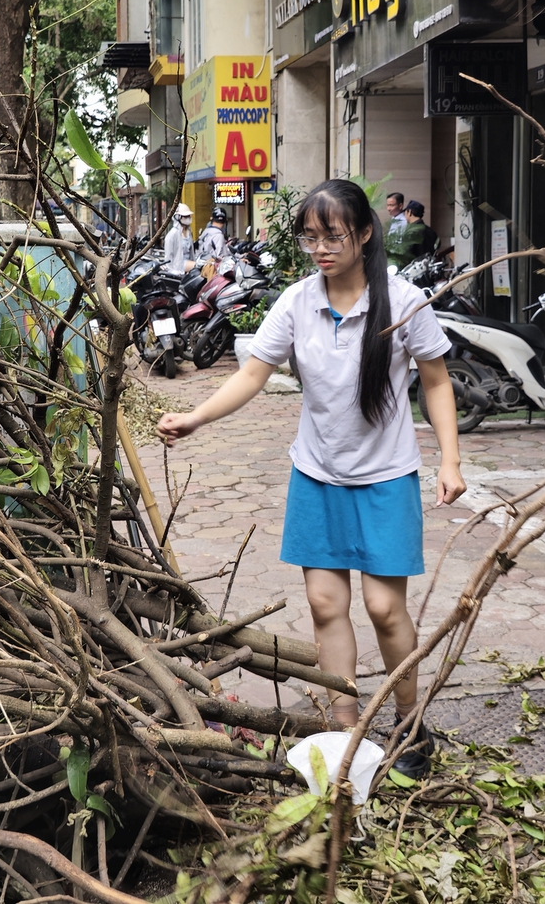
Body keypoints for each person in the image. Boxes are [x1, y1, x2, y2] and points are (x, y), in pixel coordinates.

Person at [157, 178, 467, 780]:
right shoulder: (297, 301)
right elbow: (252, 374)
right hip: (317, 475)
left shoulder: (402, 300)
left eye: (334, 235)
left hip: (385, 478)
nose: (321, 247)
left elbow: (435, 380)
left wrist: (450, 461)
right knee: (326, 605)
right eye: (311, 237)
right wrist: (196, 417)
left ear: (365, 234)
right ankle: (345, 733)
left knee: (383, 608)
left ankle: (409, 726)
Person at [392, 200, 440, 267]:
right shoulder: (431, 231)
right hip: (429, 269)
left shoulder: (410, 232)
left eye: (405, 212)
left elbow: (406, 253)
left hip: (413, 270)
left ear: (410, 212)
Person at [161, 202, 195, 276]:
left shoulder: (188, 232)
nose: (188, 218)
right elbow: (168, 257)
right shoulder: (172, 235)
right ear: (178, 217)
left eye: (189, 216)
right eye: (185, 216)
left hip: (188, 264)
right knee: (199, 266)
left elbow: (191, 253)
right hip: (178, 266)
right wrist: (172, 271)